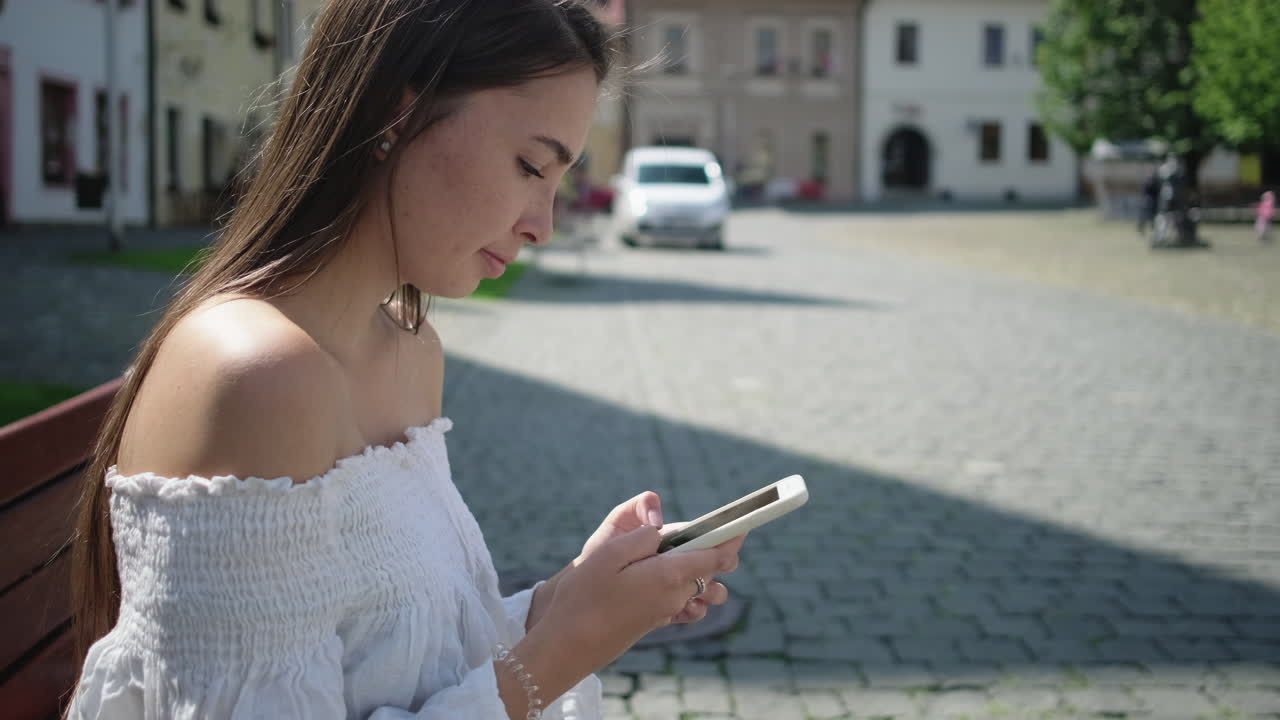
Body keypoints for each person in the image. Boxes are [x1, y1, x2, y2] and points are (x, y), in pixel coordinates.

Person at [65, 2, 744, 718]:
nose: (541, 225)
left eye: (557, 183)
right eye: (529, 166)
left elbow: (405, 657)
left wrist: (571, 599)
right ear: (397, 114)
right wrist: (564, 650)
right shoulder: (256, 375)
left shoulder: (411, 350)